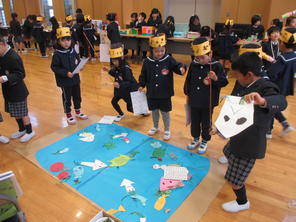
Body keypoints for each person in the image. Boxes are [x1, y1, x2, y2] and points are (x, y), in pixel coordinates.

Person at [216, 52, 287, 213]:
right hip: (239, 134)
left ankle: (242, 202)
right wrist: (221, 126)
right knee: (227, 151)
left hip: (250, 142)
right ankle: (232, 165)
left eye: (237, 76)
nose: (236, 79)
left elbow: (281, 101)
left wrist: (262, 101)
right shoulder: (245, 84)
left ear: (248, 75)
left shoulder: (265, 86)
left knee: (235, 181)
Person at [184, 37, 228, 153]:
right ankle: (195, 138)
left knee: (206, 122)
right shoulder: (193, 65)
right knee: (194, 121)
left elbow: (224, 82)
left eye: (203, 57)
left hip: (208, 102)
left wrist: (215, 78)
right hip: (194, 100)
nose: (200, 60)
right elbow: (188, 80)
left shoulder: (217, 66)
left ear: (210, 53)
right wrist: (187, 93)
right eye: (197, 58)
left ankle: (205, 140)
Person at [138, 34, 186, 140]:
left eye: (162, 50)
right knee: (154, 111)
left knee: (165, 112)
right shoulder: (147, 61)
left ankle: (167, 129)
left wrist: (181, 69)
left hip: (165, 93)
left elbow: (177, 66)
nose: (159, 53)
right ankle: (155, 126)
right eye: (157, 51)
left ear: (165, 49)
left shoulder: (169, 59)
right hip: (152, 92)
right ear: (152, 50)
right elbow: (143, 74)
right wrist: (141, 84)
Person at [0, 28, 36, 142]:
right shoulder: (2, 56)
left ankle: (30, 131)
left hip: (18, 90)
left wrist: (6, 77)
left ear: (2, 44)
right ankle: (22, 129)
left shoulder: (13, 56)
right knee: (15, 112)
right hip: (8, 90)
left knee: (23, 113)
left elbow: (21, 74)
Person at [51, 27, 88, 125]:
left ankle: (78, 111)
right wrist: (66, 73)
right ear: (58, 41)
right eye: (63, 40)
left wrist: (80, 66)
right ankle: (68, 114)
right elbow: (54, 67)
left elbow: (78, 60)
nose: (66, 42)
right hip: (65, 81)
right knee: (67, 98)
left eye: (68, 39)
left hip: (75, 79)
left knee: (77, 96)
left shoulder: (73, 51)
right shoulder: (57, 54)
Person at [267, 27, 296, 137]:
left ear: (283, 44)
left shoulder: (282, 59)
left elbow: (272, 73)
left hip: (276, 87)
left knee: (270, 107)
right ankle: (285, 124)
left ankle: (268, 131)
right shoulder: (294, 56)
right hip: (287, 86)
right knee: (275, 106)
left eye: (280, 41)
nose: (278, 43)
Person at [103, 47, 138, 121]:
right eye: (112, 61)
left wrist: (120, 85)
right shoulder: (117, 66)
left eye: (115, 61)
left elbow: (130, 82)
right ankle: (121, 114)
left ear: (121, 59)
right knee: (113, 102)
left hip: (127, 92)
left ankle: (142, 111)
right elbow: (116, 74)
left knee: (130, 108)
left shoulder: (126, 69)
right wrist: (108, 70)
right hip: (119, 91)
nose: (114, 63)